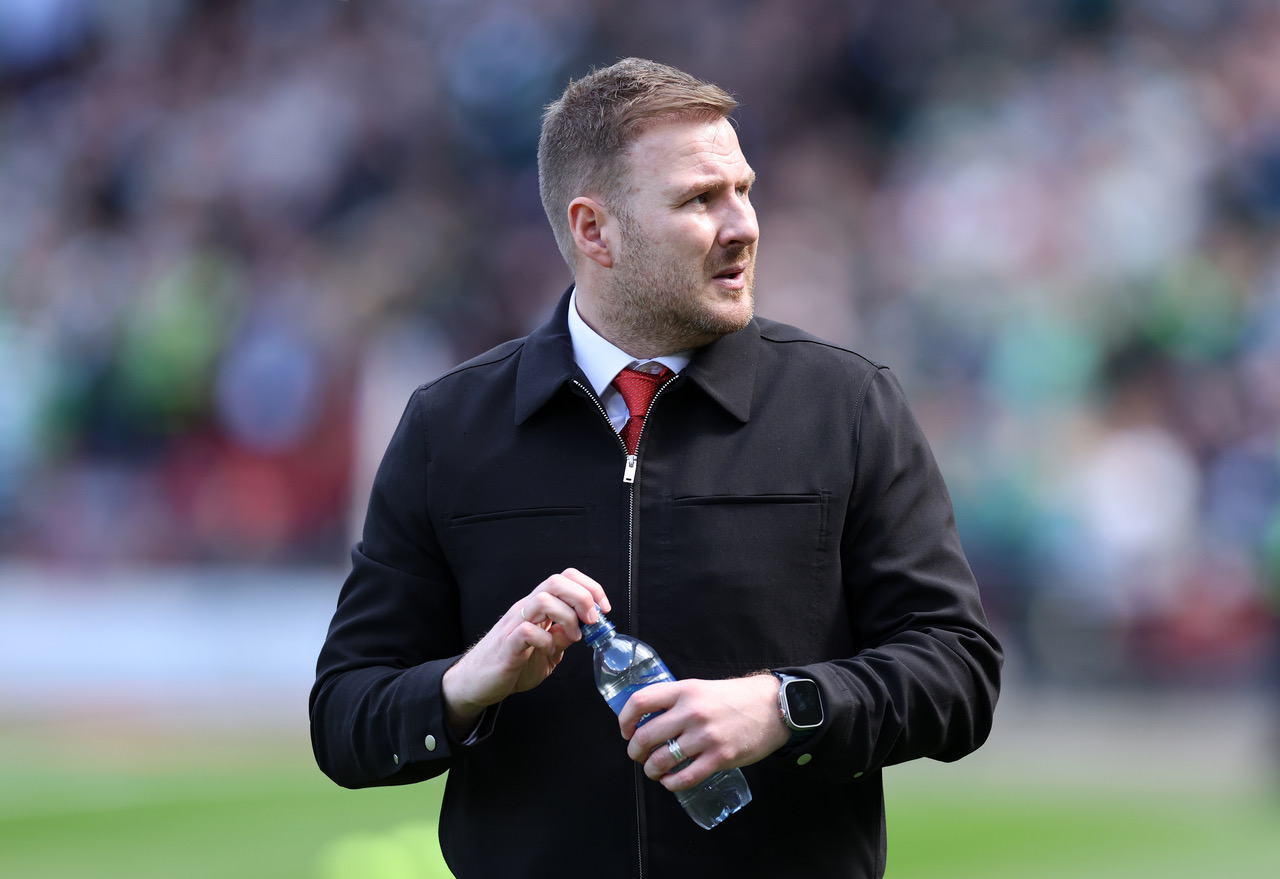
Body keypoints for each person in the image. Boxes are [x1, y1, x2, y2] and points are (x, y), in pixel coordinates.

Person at [310, 57, 1002, 879]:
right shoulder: (448, 426)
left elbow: (960, 672)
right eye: (700, 199)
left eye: (743, 189)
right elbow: (344, 717)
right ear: (593, 230)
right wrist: (464, 683)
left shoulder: (847, 404)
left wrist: (785, 705)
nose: (743, 225)